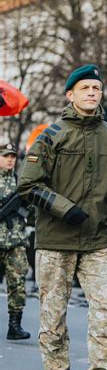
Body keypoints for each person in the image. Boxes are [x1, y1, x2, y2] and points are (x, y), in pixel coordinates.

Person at [18, 64, 107, 370]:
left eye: (97, 88)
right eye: (85, 88)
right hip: (55, 239)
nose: (92, 93)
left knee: (105, 311)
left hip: (100, 239)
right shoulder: (51, 135)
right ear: (70, 94)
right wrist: (64, 208)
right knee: (53, 317)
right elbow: (28, 184)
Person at [0, 142, 30, 340]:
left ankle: (14, 326)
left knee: (18, 283)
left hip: (15, 241)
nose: (10, 159)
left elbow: (30, 209)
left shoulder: (21, 182)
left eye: (13, 156)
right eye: (6, 156)